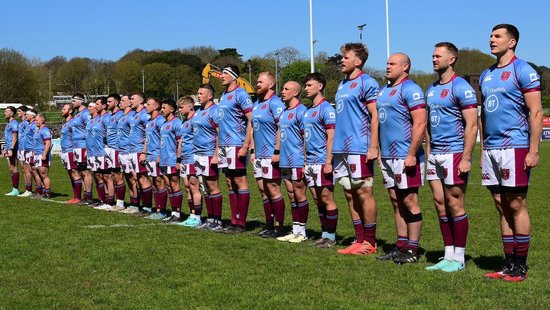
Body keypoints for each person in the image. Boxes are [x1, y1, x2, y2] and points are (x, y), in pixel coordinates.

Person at [480, 24, 542, 282]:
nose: (492, 39)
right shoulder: (486, 74)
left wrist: (533, 150)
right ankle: (508, 263)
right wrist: (483, 146)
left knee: (516, 204)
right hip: (491, 149)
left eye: (498, 36)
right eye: (491, 35)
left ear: (512, 42)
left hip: (514, 146)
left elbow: (536, 112)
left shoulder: (523, 70)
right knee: (500, 205)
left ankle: (521, 266)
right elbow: (484, 113)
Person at [424, 42, 478, 272]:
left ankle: (459, 258)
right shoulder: (432, 88)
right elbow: (427, 124)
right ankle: (448, 254)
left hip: (454, 152)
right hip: (435, 153)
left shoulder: (462, 87)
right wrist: (428, 153)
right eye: (433, 55)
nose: (434, 59)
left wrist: (466, 157)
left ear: (451, 59)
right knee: (439, 204)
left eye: (438, 56)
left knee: (455, 203)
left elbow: (472, 124)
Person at [376, 53, 427, 264]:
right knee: (396, 202)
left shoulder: (411, 89)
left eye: (392, 63)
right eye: (387, 63)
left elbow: (420, 123)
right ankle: (401, 246)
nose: (387, 66)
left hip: (405, 155)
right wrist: (378, 150)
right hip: (387, 156)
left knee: (410, 200)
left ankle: (413, 250)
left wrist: (412, 153)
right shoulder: (383, 91)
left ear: (405, 67)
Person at [332, 43, 379, 255]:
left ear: (358, 61)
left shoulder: (367, 82)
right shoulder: (342, 84)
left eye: (346, 57)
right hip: (341, 148)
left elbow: (375, 116)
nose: (342, 60)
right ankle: (358, 238)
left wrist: (373, 146)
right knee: (350, 194)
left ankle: (370, 241)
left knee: (364, 192)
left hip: (359, 146)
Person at [302, 73, 338, 248]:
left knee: (326, 197)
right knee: (317, 198)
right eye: (305, 85)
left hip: (323, 160)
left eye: (309, 85)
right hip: (310, 162)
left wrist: (329, 162)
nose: (306, 88)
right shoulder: (308, 111)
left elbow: (331, 137)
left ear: (320, 86)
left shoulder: (327, 109)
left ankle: (331, 236)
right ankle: (324, 234)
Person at [217, 64, 253, 233]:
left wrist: (246, 145)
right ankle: (234, 219)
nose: (221, 75)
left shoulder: (241, 94)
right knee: (230, 182)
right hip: (224, 145)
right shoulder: (224, 95)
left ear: (233, 76)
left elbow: (251, 120)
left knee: (240, 180)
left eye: (224, 73)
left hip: (237, 143)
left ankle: (242, 223)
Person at [250, 72, 286, 238]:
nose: (257, 84)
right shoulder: (257, 103)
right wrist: (252, 150)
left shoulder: (275, 103)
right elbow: (252, 128)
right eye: (257, 81)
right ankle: (269, 225)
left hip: (271, 153)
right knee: (263, 190)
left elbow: (281, 127)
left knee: (273, 189)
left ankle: (279, 227)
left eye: (260, 82)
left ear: (271, 84)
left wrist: (277, 151)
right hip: (259, 155)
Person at [276, 81, 309, 243]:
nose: (282, 91)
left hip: (297, 159)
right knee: (291, 194)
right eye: (283, 89)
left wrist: (304, 159)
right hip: (285, 158)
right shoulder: (284, 112)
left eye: (286, 89)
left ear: (296, 92)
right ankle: (295, 229)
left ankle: (302, 232)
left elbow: (306, 137)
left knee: (299, 193)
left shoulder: (302, 111)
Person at [193, 84, 223, 230]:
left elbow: (220, 133)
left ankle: (217, 220)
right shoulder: (199, 111)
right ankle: (210, 218)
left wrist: (216, 155)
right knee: (204, 187)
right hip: (198, 154)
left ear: (210, 96)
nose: (198, 95)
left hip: (209, 153)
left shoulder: (215, 111)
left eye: (201, 93)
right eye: (198, 93)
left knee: (213, 186)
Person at [177, 96, 203, 227]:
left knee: (194, 186)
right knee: (187, 187)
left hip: (193, 157)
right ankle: (192, 214)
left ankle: (197, 217)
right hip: (185, 159)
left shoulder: (195, 120)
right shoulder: (184, 122)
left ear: (190, 106)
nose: (179, 110)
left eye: (181, 107)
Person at [141, 98, 168, 220]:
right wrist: (144, 152)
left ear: (156, 107)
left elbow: (164, 140)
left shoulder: (160, 121)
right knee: (153, 182)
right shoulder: (149, 121)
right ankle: (157, 209)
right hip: (149, 156)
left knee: (159, 181)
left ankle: (161, 210)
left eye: (148, 104)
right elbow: (147, 139)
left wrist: (160, 155)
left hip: (157, 155)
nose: (146, 106)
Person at [158, 99, 184, 223]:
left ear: (171, 109)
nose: (161, 110)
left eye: (164, 108)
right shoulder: (163, 124)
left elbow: (180, 142)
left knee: (174, 184)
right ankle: (173, 212)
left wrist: (178, 159)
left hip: (172, 159)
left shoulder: (177, 123)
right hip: (163, 159)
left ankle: (178, 214)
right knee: (168, 186)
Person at [128, 92, 153, 215]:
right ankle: (142, 206)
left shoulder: (144, 115)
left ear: (141, 101)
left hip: (139, 151)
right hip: (132, 151)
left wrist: (144, 151)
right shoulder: (134, 114)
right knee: (137, 179)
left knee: (143, 179)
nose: (130, 101)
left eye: (133, 99)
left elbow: (149, 134)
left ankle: (148, 207)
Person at [87, 97, 111, 209]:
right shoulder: (95, 119)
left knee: (106, 176)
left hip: (102, 151)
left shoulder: (107, 118)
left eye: (97, 104)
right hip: (93, 152)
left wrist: (107, 149)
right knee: (97, 175)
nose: (96, 106)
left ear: (104, 105)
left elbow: (109, 134)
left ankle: (110, 201)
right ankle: (102, 199)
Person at [104, 94, 126, 211]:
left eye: (109, 101)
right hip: (110, 148)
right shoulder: (109, 116)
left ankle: (120, 203)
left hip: (117, 148)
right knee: (113, 175)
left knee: (118, 175)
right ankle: (115, 201)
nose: (107, 103)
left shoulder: (120, 115)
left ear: (116, 103)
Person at [71, 94, 93, 204]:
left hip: (82, 146)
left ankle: (89, 196)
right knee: (80, 171)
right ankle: (85, 196)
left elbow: (89, 130)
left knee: (85, 171)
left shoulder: (86, 114)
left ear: (81, 101)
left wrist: (87, 147)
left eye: (74, 100)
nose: (72, 102)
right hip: (76, 146)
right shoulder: (77, 114)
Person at [117, 95, 137, 213]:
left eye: (123, 101)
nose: (120, 103)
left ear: (129, 103)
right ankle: (132, 203)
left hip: (130, 151)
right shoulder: (122, 116)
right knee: (129, 178)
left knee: (134, 178)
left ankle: (137, 204)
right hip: (122, 151)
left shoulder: (131, 116)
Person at [60, 103, 82, 204]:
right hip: (64, 151)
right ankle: (75, 196)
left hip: (70, 151)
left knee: (75, 173)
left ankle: (78, 197)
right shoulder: (66, 123)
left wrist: (74, 151)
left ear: (70, 111)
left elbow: (75, 136)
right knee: (71, 174)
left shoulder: (73, 123)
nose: (62, 111)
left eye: (64, 109)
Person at [32, 113, 52, 199]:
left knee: (44, 174)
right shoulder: (38, 130)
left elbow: (48, 143)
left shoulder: (45, 130)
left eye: (36, 120)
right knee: (38, 174)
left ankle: (47, 192)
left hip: (41, 154)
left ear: (42, 120)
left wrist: (44, 154)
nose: (35, 121)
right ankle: (42, 192)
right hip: (37, 154)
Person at [3, 106, 20, 196]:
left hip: (13, 149)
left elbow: (14, 138)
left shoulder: (14, 124)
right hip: (9, 149)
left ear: (12, 113)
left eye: (6, 111)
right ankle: (14, 188)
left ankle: (15, 189)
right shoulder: (8, 124)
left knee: (14, 167)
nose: (4, 113)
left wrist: (11, 149)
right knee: (11, 168)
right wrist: (5, 149)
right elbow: (8, 139)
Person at [16, 106, 33, 197]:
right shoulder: (21, 123)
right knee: (23, 169)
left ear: (24, 112)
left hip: (26, 148)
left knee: (28, 169)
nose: (17, 113)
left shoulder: (27, 123)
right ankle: (28, 188)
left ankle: (29, 189)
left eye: (19, 111)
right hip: (21, 148)